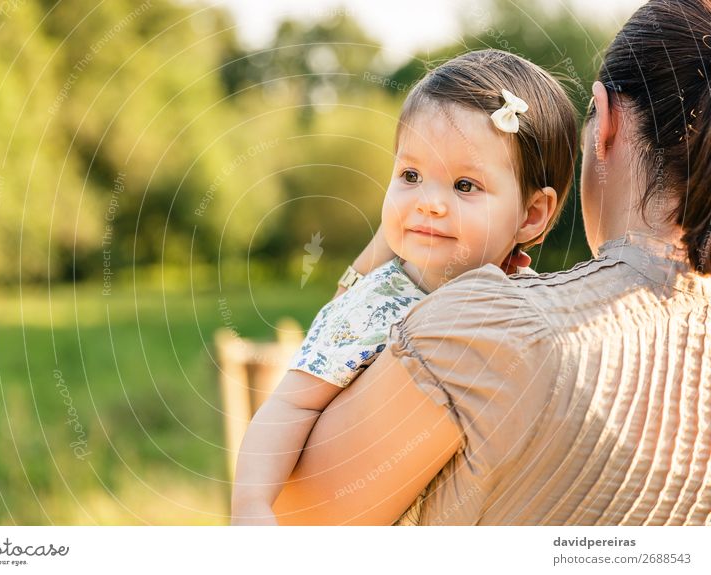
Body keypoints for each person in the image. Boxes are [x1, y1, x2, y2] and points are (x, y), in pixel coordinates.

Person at [270, 0, 711, 526]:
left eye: (463, 185)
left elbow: (299, 516)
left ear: (606, 121)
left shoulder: (486, 325)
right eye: (409, 175)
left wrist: (387, 253)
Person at [230, 49, 578, 525]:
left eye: (464, 185)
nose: (429, 203)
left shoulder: (537, 305)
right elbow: (290, 402)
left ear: (532, 214)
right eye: (411, 176)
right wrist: (251, 507)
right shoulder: (377, 305)